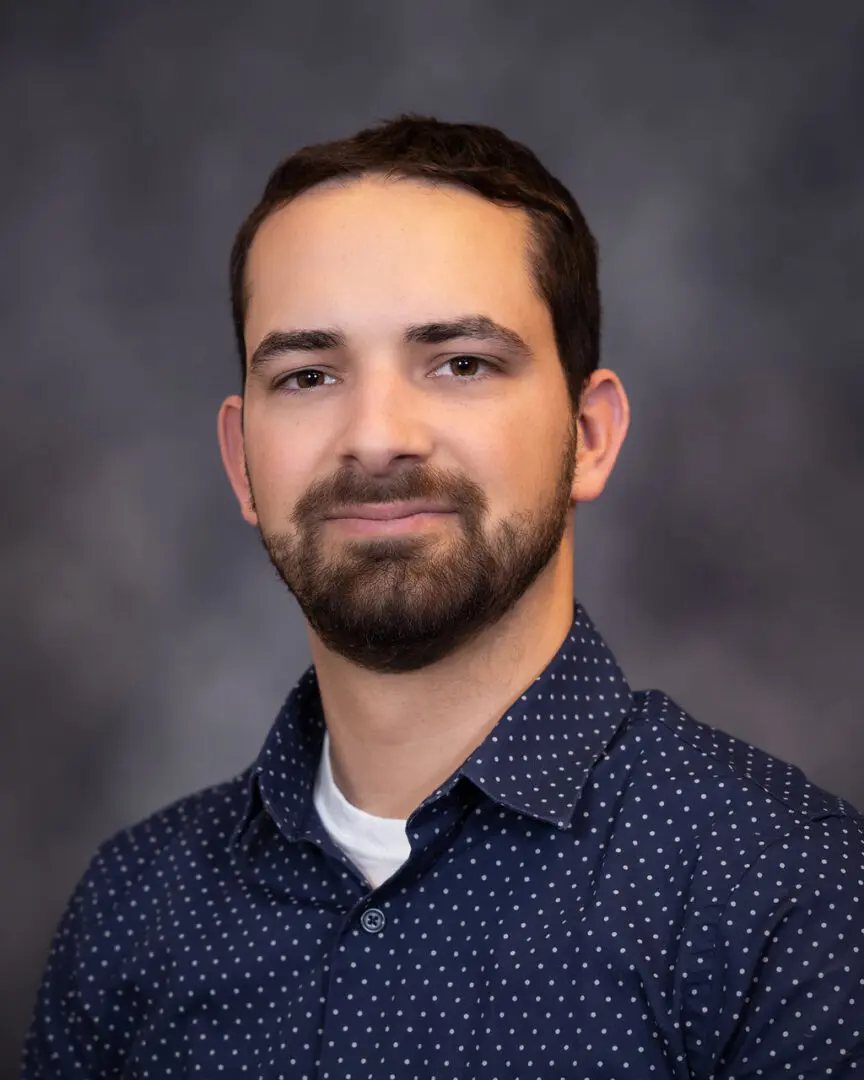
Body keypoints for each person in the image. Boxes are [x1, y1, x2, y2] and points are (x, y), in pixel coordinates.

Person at [22, 114, 864, 1079]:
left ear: (588, 436)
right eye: (308, 374)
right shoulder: (134, 911)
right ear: (242, 463)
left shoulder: (791, 892)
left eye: (461, 362)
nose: (377, 436)